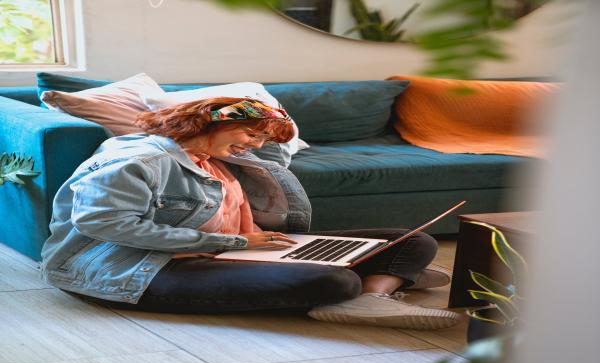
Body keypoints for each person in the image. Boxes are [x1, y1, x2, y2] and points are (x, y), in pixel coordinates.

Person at [41, 96, 460, 330]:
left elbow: (255, 188)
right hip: (140, 269)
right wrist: (236, 243)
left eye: (262, 139)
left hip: (227, 252)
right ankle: (362, 286)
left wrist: (259, 243)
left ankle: (370, 293)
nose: (256, 145)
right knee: (334, 277)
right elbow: (104, 224)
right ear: (209, 123)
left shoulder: (219, 157)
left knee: (412, 240)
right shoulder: (139, 162)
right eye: (250, 134)